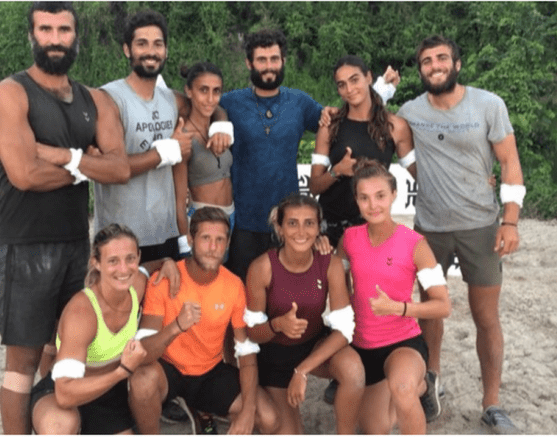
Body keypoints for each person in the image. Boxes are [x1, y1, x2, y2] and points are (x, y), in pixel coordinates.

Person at [0, 2, 132, 433]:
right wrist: (85, 165)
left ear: (76, 37)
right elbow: (24, 174)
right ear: (31, 36)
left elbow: (120, 169)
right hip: (25, 243)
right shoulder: (11, 93)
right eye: (45, 29)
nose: (55, 39)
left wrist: (62, 158)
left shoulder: (95, 99)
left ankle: (56, 422)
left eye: (63, 30)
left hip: (75, 242)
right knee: (22, 362)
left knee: (66, 346)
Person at [396, 35, 525, 433]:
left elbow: (509, 162)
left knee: (486, 316)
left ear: (456, 64)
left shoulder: (488, 104)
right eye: (426, 61)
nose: (434, 66)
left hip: (481, 227)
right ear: (420, 69)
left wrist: (510, 220)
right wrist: (435, 177)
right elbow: (403, 150)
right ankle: (431, 381)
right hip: (430, 230)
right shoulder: (410, 110)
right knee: (431, 310)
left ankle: (492, 403)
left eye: (441, 58)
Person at [220, 29, 399, 282]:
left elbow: (343, 120)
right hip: (243, 222)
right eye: (261, 60)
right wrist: (217, 125)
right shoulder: (230, 103)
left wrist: (379, 91)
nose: (269, 66)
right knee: (242, 291)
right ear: (249, 63)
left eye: (274, 59)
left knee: (286, 292)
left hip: (291, 221)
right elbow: (201, 110)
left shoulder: (299, 102)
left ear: (283, 61)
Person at [93, 10, 231, 264]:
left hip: (165, 232)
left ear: (166, 51)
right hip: (121, 236)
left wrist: (221, 125)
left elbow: (208, 106)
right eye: (142, 43)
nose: (151, 51)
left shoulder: (171, 99)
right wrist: (165, 152)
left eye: (157, 44)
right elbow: (109, 168)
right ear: (127, 49)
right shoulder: (109, 98)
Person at [129, 207, 279, 435]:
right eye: (205, 238)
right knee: (141, 382)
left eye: (220, 240)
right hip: (168, 369)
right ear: (190, 240)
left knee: (268, 419)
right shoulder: (165, 279)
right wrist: (176, 327)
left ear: (228, 244)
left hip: (209, 371)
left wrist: (247, 412)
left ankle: (202, 408)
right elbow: (142, 353)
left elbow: (246, 355)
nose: (212, 247)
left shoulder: (234, 285)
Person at [341, 160, 451, 434]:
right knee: (374, 428)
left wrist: (398, 308)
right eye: (364, 198)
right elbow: (335, 279)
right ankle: (418, 386)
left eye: (380, 196)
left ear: (394, 195)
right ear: (356, 200)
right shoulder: (349, 238)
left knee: (402, 389)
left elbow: (443, 305)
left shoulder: (415, 243)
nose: (373, 205)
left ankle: (417, 382)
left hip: (402, 343)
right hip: (363, 346)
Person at [245, 193, 364, 434]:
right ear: (280, 228)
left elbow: (345, 331)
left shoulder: (329, 264)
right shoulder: (261, 268)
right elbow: (253, 333)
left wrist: (303, 370)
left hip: (313, 345)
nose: (301, 231)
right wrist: (278, 325)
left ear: (319, 228)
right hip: (275, 356)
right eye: (292, 223)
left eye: (309, 223)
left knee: (353, 371)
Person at [30, 224, 148, 434]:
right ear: (96, 263)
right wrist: (123, 371)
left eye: (130, 259)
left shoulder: (137, 284)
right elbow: (64, 394)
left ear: (138, 257)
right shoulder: (82, 313)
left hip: (107, 397)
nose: (123, 269)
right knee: (59, 427)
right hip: (64, 392)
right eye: (113, 261)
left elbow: (149, 269)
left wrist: (166, 263)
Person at [311, 55, 416, 249]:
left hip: (372, 229)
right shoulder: (330, 126)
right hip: (329, 231)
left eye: (354, 80)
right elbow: (314, 187)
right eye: (342, 85)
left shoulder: (395, 127)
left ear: (369, 77)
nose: (349, 89)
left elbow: (420, 174)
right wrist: (337, 171)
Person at [172, 62, 235, 241]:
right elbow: (178, 203)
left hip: (230, 216)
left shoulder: (220, 129)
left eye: (216, 91)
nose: (210, 99)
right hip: (203, 221)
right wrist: (185, 240)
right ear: (189, 91)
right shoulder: (184, 138)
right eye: (203, 90)